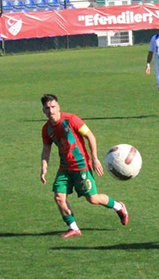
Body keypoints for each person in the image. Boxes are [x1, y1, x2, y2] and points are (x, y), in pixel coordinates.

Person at [39, 94, 129, 238]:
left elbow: (90, 136)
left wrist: (94, 158)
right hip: (64, 168)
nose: (51, 111)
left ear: (58, 106)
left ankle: (119, 207)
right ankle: (73, 228)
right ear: (43, 110)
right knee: (59, 197)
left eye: (53, 107)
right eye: (47, 108)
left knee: (92, 199)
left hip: (81, 166)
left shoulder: (71, 119)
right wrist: (44, 167)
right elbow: (46, 150)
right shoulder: (46, 129)